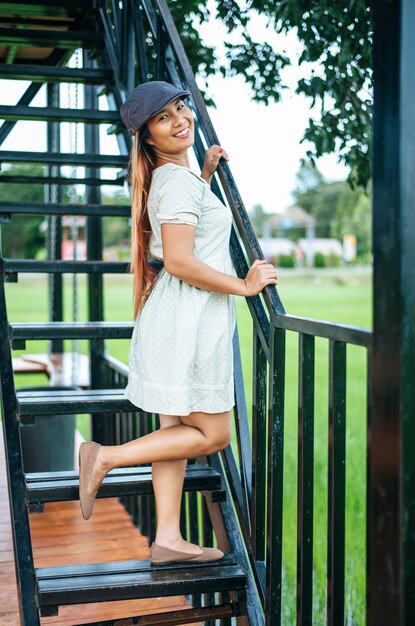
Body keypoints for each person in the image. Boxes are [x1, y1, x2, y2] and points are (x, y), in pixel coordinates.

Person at [78, 80, 278, 565]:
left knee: (176, 436)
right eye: (164, 117)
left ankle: (166, 537)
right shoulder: (174, 180)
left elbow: (187, 232)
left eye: (181, 107)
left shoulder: (176, 179)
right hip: (186, 322)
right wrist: (245, 286)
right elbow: (184, 262)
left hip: (178, 321)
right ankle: (104, 456)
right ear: (147, 137)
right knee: (214, 435)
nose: (181, 118)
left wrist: (205, 175)